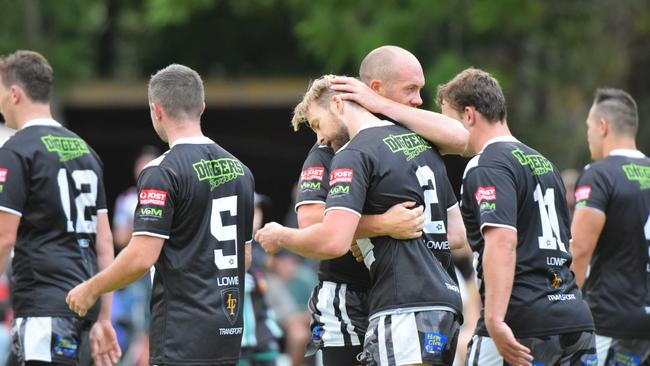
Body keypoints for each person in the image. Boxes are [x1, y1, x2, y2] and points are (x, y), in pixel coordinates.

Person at [256, 74, 463, 366]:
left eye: (317, 124)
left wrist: (281, 235)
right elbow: (454, 232)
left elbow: (331, 238)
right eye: (411, 90)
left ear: (342, 102)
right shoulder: (416, 144)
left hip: (400, 297)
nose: (320, 137)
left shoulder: (357, 151)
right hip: (424, 295)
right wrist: (382, 226)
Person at [66, 64, 255, 366]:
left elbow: (142, 257)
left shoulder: (161, 171)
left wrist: (92, 288)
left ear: (156, 110)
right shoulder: (241, 171)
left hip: (181, 335)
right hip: (227, 334)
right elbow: (244, 259)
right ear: (201, 107)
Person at [437, 68, 596, 365]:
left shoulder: (485, 164)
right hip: (574, 318)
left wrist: (495, 320)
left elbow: (503, 242)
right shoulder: (545, 163)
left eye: (447, 120)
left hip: (521, 324)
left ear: (469, 115)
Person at [0, 50, 121, 366]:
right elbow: (104, 242)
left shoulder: (14, 151)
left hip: (44, 306)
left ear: (15, 93)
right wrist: (104, 318)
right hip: (85, 304)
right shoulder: (86, 151)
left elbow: (4, 238)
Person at [570, 88, 650, 364]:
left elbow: (579, 250)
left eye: (588, 127)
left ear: (602, 126)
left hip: (611, 323)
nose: (588, 135)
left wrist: (567, 311)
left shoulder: (599, 175)